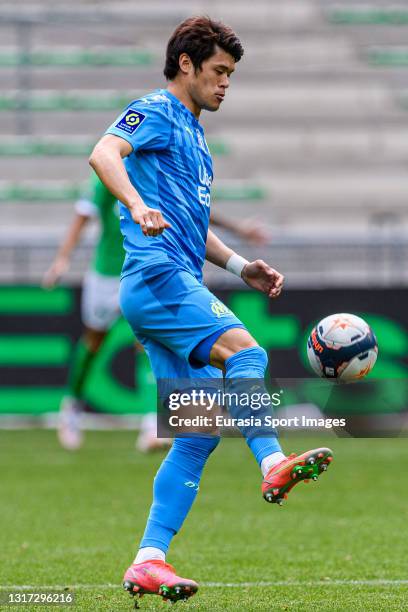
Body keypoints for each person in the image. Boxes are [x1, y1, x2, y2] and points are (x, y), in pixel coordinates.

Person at [89, 16, 333, 604]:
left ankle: (149, 560)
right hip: (156, 279)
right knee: (246, 351)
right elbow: (102, 153)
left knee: (197, 433)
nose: (226, 83)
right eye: (219, 72)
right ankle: (272, 460)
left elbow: (193, 229)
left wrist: (239, 265)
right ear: (187, 65)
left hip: (165, 279)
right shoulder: (154, 109)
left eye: (232, 75)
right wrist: (138, 204)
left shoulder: (195, 137)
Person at [43, 174, 269, 451]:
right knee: (93, 341)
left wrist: (239, 230)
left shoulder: (157, 173)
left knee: (146, 344)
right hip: (107, 274)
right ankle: (72, 407)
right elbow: (83, 216)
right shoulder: (108, 174)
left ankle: (152, 424)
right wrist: (62, 259)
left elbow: (192, 213)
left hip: (146, 272)